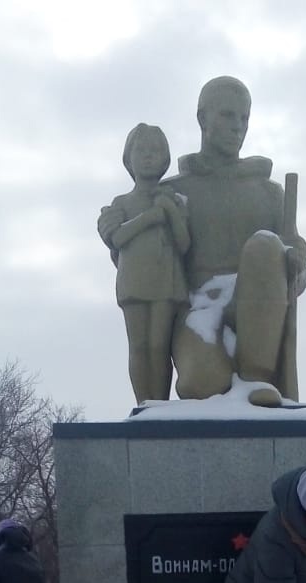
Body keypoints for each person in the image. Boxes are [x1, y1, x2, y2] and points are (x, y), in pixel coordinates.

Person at [163, 76, 306, 405]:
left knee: (265, 245)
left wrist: (297, 262)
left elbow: (295, 273)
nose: (238, 127)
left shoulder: (269, 193)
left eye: (244, 118)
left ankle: (255, 378)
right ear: (202, 118)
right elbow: (150, 260)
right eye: (227, 116)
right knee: (203, 383)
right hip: (199, 307)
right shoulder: (175, 191)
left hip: (255, 307)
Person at [98, 123, 190, 404]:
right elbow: (117, 238)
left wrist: (171, 211)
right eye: (142, 150)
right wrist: (150, 218)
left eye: (156, 150)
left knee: (159, 346)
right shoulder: (122, 202)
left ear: (165, 159)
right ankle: (143, 403)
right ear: (129, 158)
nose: (149, 156)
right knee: (138, 346)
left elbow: (184, 243)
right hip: (133, 279)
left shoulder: (174, 200)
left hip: (166, 279)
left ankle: (159, 404)